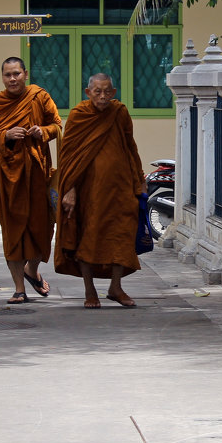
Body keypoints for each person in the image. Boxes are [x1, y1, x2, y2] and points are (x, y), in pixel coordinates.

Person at [55, 74, 145, 308]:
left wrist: (139, 180)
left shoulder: (120, 112)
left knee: (121, 235)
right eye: (97, 91)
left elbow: (130, 146)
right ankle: (89, 290)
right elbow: (69, 155)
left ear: (113, 92)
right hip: (89, 190)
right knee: (88, 236)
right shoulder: (79, 115)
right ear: (88, 92)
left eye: (107, 92)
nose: (103, 96)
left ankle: (115, 287)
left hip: (121, 187)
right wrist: (70, 189)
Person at [0, 57, 62, 304]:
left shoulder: (39, 97)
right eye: (7, 75)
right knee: (13, 233)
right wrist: (5, 135)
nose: (12, 79)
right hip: (9, 181)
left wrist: (42, 131)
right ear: (2, 77)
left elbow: (57, 126)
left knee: (44, 228)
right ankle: (19, 288)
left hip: (37, 176)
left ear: (25, 74)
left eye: (16, 73)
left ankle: (32, 270)